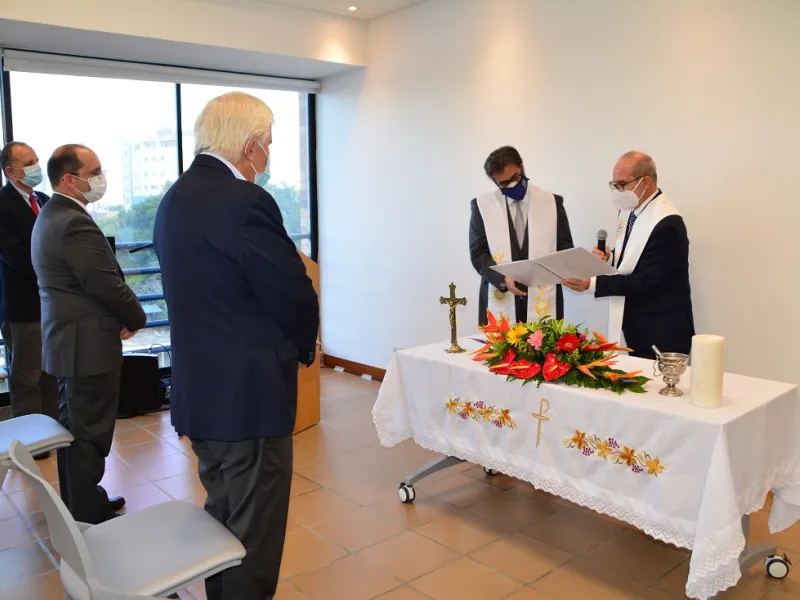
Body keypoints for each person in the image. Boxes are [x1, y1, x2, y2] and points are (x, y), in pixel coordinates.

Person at [153, 92, 319, 600]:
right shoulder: (246, 201)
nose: (268, 153)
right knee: (254, 534)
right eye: (268, 143)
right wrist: (304, 343)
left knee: (223, 518)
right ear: (250, 146)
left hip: (200, 394)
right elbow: (291, 291)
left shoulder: (174, 198)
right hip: (248, 400)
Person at [31, 144, 146, 524]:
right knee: (89, 435)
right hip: (86, 347)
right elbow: (104, 284)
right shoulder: (72, 222)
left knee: (76, 431)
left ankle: (81, 501)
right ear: (69, 179)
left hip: (70, 342)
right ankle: (87, 513)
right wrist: (136, 316)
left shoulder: (51, 215)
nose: (100, 178)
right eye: (93, 172)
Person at [562, 151, 694, 358]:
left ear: (646, 182)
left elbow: (646, 281)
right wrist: (610, 258)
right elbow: (633, 256)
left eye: (623, 184)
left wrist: (592, 284)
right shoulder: (630, 211)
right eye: (615, 185)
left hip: (663, 328)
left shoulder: (667, 223)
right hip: (638, 324)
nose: (618, 191)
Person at [469, 145, 574, 326]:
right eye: (504, 183)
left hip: (543, 298)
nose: (512, 185)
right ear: (495, 182)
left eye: (515, 178)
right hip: (501, 297)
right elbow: (478, 253)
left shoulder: (551, 202)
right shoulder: (482, 206)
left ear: (522, 168)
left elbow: (565, 248)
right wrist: (503, 279)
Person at [0, 142, 58, 443]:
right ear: (11, 171)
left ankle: (52, 433)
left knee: (51, 373)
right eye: (29, 163)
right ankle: (30, 442)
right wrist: (54, 267)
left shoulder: (45, 201)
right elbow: (17, 257)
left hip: (52, 305)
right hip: (23, 306)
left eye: (36, 160)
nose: (37, 167)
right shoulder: (2, 204)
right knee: (26, 377)